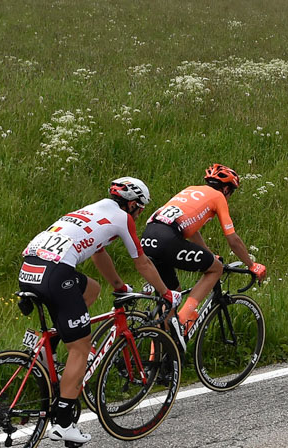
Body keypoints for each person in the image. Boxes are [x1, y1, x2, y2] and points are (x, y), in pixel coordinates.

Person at [18, 177, 180, 445]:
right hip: (56, 273)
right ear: (131, 204)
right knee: (80, 348)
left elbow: (97, 253)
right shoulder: (122, 218)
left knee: (91, 289)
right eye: (139, 209)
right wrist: (166, 292)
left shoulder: (92, 209)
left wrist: (118, 286)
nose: (139, 215)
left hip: (30, 268)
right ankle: (63, 423)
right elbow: (142, 263)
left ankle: (53, 350)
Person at [142, 163, 267, 348]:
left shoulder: (191, 190)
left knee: (170, 294)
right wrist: (251, 264)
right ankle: (185, 318)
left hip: (148, 237)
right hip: (168, 239)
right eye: (231, 192)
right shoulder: (218, 197)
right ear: (226, 189)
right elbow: (233, 240)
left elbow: (191, 231)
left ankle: (159, 357)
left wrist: (208, 254)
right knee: (215, 269)